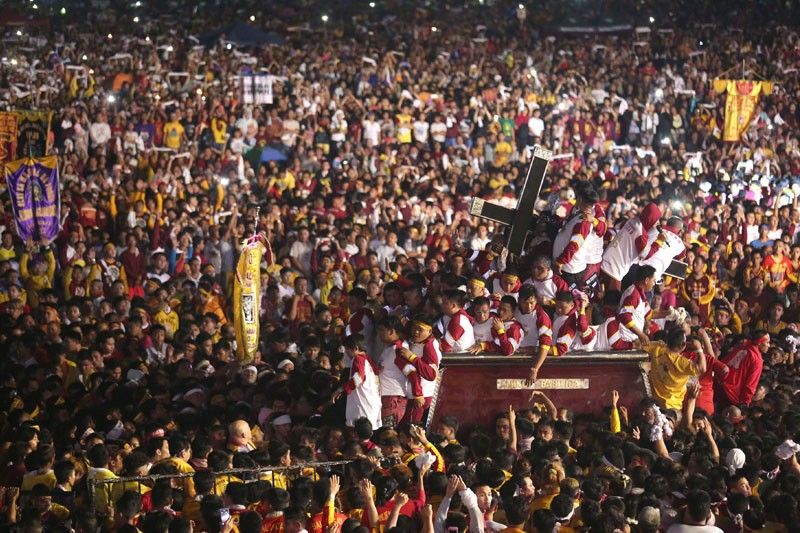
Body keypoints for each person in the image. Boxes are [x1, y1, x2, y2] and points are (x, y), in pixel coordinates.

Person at [643, 327, 706, 411]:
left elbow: (642, 344)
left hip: (655, 403)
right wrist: (699, 349)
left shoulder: (657, 348)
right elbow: (702, 368)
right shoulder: (682, 363)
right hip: (673, 406)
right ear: (682, 345)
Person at [336, 334, 382, 430]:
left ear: (355, 348)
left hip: (361, 409)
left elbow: (359, 378)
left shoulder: (358, 359)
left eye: (347, 350)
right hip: (372, 406)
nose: (346, 354)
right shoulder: (369, 360)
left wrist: (340, 390)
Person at [716, 331, 768, 408]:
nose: (769, 345)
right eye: (767, 342)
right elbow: (751, 384)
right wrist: (745, 403)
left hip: (718, 385)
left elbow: (723, 364)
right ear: (760, 343)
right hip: (732, 396)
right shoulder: (757, 359)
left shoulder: (740, 348)